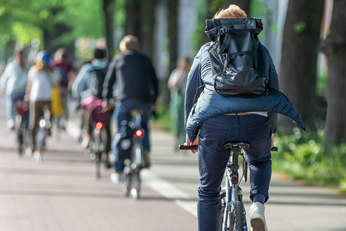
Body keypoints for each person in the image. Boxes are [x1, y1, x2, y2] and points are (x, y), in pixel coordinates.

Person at [184, 5, 305, 231]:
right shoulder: (260, 50)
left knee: (208, 191)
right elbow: (273, 89)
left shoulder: (207, 50)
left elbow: (192, 91)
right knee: (260, 160)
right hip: (255, 121)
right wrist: (271, 130)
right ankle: (257, 204)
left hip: (216, 122)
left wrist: (190, 131)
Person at [102, 35, 159, 183]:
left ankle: (119, 169)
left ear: (123, 47)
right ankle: (145, 150)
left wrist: (106, 99)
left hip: (125, 102)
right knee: (144, 125)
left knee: (122, 131)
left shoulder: (118, 59)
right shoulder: (145, 59)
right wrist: (153, 101)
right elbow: (155, 80)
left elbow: (109, 82)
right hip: (145, 102)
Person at [72, 48, 112, 168]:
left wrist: (78, 98)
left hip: (91, 99)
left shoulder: (87, 68)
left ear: (93, 56)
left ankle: (87, 135)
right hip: (105, 101)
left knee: (88, 116)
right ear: (105, 56)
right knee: (108, 127)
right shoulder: (109, 67)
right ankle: (107, 153)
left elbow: (77, 85)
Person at [25, 51, 59, 161]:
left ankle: (32, 145)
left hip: (36, 99)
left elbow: (29, 85)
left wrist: (28, 95)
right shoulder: (52, 72)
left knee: (33, 122)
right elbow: (56, 85)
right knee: (48, 118)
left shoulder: (34, 70)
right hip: (48, 99)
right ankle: (47, 130)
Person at [0, 49, 29, 130]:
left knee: (10, 104)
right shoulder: (27, 66)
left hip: (13, 91)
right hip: (24, 91)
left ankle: (11, 120)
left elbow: (4, 78)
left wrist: (3, 87)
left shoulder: (11, 66)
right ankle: (27, 124)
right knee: (27, 108)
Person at [168, 56, 190, 150]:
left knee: (185, 121)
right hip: (177, 98)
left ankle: (184, 141)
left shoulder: (190, 73)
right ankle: (176, 139)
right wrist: (181, 74)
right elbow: (171, 85)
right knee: (177, 120)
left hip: (187, 99)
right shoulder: (176, 73)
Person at [50, 48, 74, 129]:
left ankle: (53, 120)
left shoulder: (53, 63)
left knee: (54, 104)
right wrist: (70, 85)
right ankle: (63, 122)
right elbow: (72, 75)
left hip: (55, 89)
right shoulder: (67, 64)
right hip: (65, 87)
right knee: (64, 105)